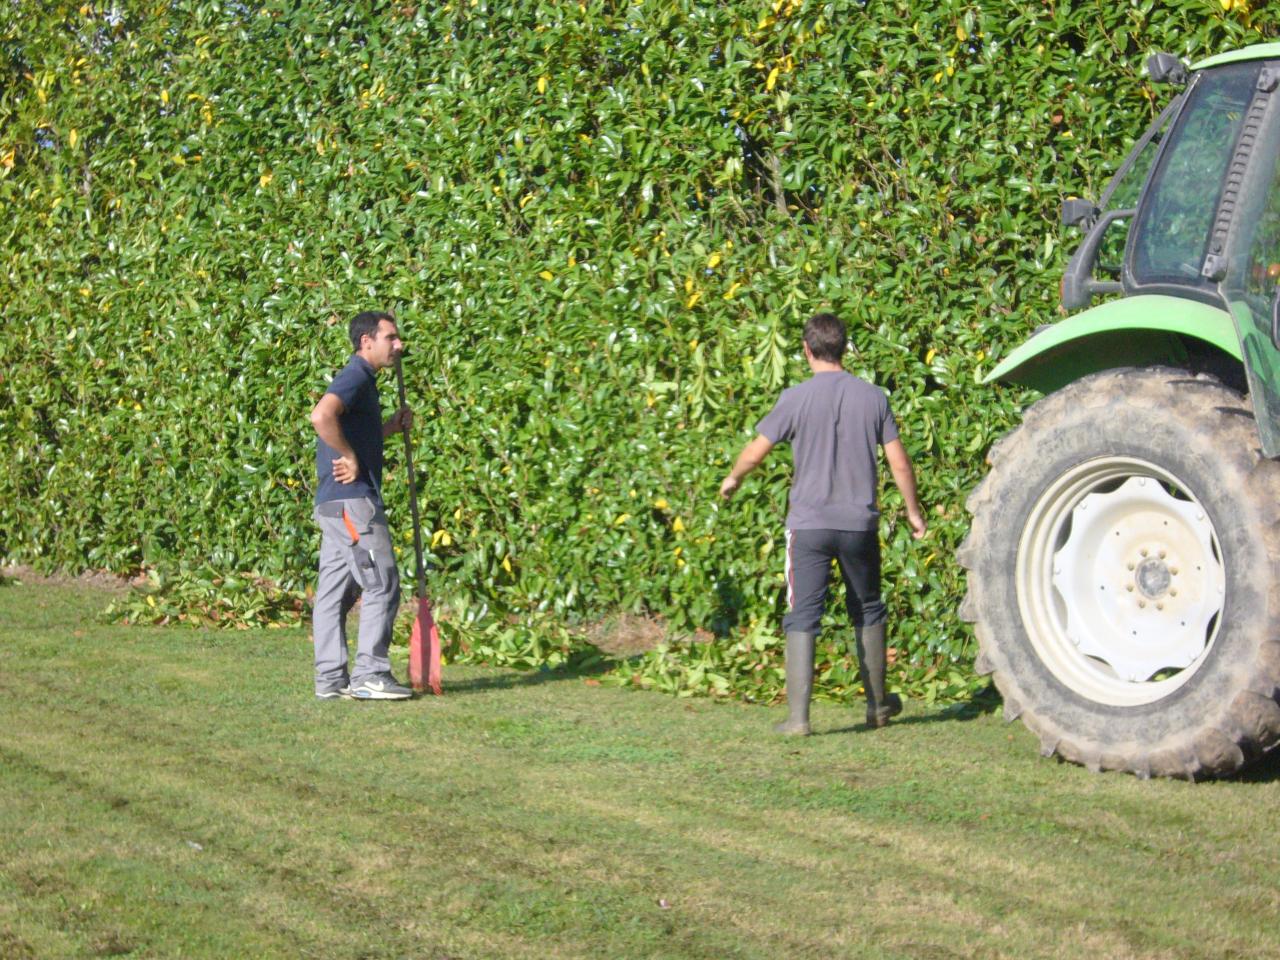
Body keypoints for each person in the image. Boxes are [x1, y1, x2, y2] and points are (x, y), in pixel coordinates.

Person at [719, 312, 927, 735]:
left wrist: (734, 478)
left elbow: (756, 452)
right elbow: (899, 463)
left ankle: (798, 719)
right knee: (867, 607)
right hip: (858, 525)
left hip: (809, 526)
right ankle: (877, 708)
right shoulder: (874, 398)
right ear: (844, 348)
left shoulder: (794, 398)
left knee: (804, 614)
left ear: (807, 350)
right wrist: (912, 510)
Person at [309, 310, 415, 700]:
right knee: (382, 582)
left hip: (335, 505)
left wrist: (387, 428)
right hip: (353, 503)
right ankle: (370, 674)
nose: (399, 345)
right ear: (366, 341)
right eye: (391, 337)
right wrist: (348, 457)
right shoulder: (356, 374)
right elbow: (322, 416)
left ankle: (331, 681)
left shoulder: (365, 384)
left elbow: (354, 429)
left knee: (334, 594)